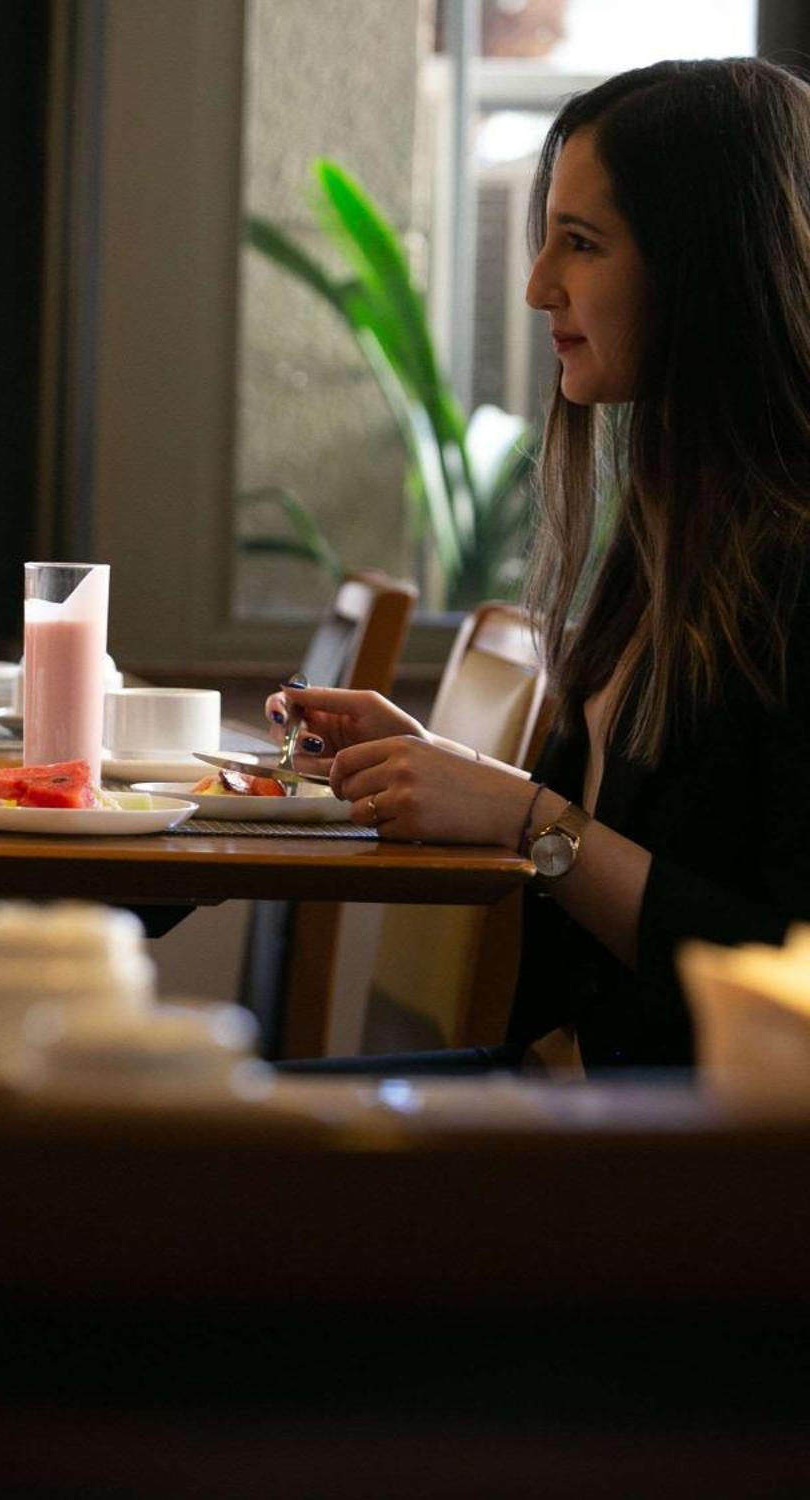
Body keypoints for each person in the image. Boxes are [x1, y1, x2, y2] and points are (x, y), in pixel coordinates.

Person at [269, 57, 810, 1073]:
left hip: (668, 1159)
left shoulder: (791, 569)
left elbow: (786, 968)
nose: (535, 287)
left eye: (580, 243)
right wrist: (448, 770)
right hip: (563, 1097)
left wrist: (529, 818)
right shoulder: (663, 538)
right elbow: (649, 843)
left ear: (708, 267)